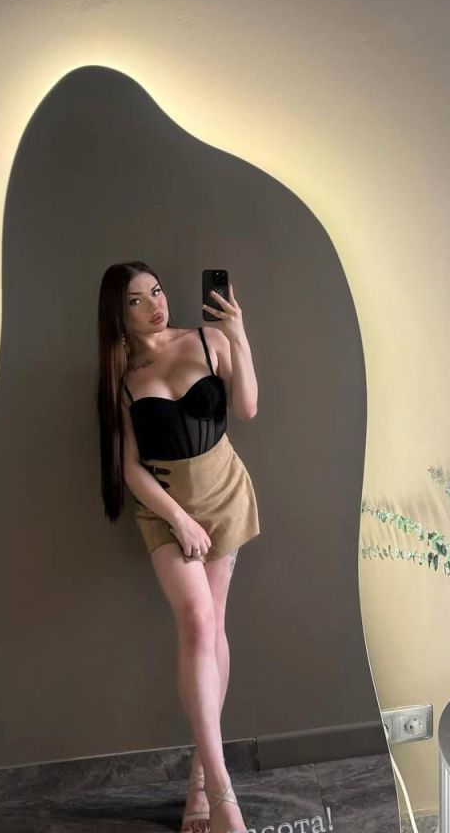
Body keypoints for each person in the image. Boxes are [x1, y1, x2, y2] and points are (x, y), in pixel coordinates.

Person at [96, 260, 260, 833]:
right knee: (196, 624)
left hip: (224, 495)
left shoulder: (209, 340)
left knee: (214, 628)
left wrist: (238, 335)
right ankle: (222, 792)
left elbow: (247, 408)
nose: (155, 305)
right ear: (118, 315)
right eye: (137, 300)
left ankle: (199, 778)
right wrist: (180, 521)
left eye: (157, 291)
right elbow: (130, 468)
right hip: (164, 511)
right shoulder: (122, 375)